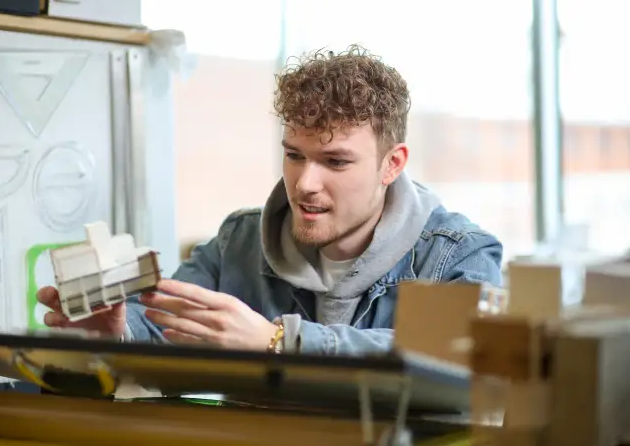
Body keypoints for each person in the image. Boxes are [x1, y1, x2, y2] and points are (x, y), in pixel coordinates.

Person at [37, 45, 503, 357]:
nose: (304, 184)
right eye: (294, 155)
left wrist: (281, 341)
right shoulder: (237, 241)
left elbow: (459, 359)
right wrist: (116, 332)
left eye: (335, 162)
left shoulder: (460, 254)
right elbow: (165, 327)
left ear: (392, 164)